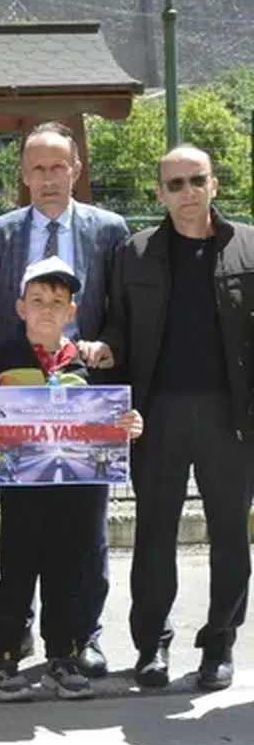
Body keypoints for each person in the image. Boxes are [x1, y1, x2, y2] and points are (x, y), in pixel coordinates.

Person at [90, 145, 254, 692]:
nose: (187, 192)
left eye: (196, 181)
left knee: (230, 533)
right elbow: (118, 325)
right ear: (158, 193)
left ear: (214, 184)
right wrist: (106, 351)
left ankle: (219, 645)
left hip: (229, 417)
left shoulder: (247, 246)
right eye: (175, 183)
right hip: (155, 415)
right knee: (154, 533)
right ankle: (151, 647)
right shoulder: (133, 253)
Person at [0, 121, 130, 677]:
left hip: (86, 401)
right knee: (24, 532)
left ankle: (82, 636)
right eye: (36, 168)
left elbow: (121, 313)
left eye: (57, 166)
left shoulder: (110, 229)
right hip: (19, 403)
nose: (47, 178)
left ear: (76, 169)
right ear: (23, 175)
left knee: (85, 535)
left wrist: (105, 350)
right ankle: (15, 632)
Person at [0, 258, 142, 702]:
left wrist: (130, 423)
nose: (46, 310)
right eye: (37, 301)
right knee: (17, 569)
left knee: (69, 570)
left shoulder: (94, 362)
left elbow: (118, 410)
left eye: (57, 302)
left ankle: (62, 657)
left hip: (80, 488)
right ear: (19, 308)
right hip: (23, 487)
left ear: (72, 311)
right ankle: (4, 657)